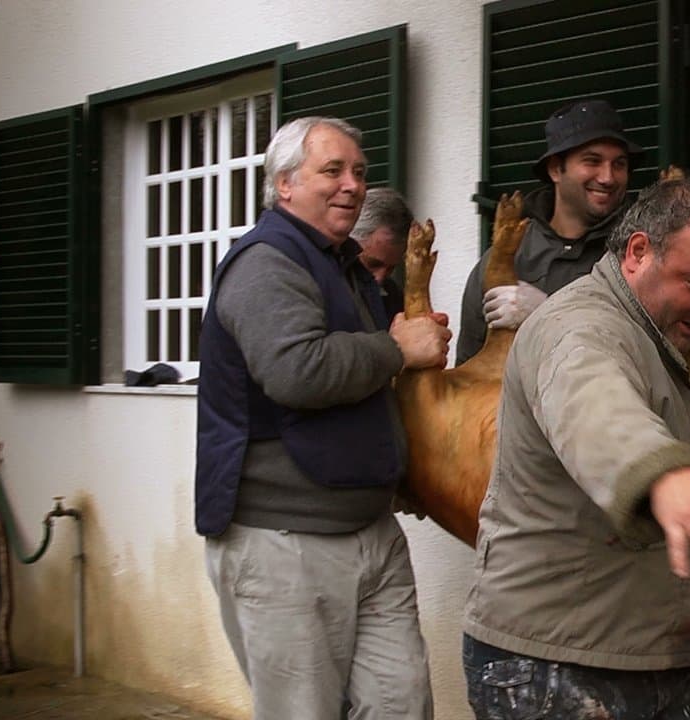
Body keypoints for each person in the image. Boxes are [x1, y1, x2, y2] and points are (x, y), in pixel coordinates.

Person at [461, 177, 690, 719]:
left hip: (661, 651)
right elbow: (593, 403)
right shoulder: (576, 327)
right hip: (551, 662)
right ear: (638, 253)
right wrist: (666, 476)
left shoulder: (664, 330)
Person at [195, 116, 450, 720]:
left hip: (371, 531)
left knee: (401, 706)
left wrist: (400, 343)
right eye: (331, 170)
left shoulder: (346, 267)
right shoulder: (265, 263)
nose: (352, 185)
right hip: (286, 542)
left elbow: (359, 381)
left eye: (359, 172)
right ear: (284, 184)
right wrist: (396, 349)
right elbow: (296, 371)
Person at [455, 97, 641, 364]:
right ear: (555, 169)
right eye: (592, 161)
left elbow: (647, 351)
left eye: (619, 164)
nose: (607, 177)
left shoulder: (639, 252)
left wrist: (547, 310)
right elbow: (468, 370)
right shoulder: (506, 256)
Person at [353, 186, 414, 321]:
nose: (380, 278)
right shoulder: (318, 288)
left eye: (391, 268)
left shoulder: (393, 297)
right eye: (373, 264)